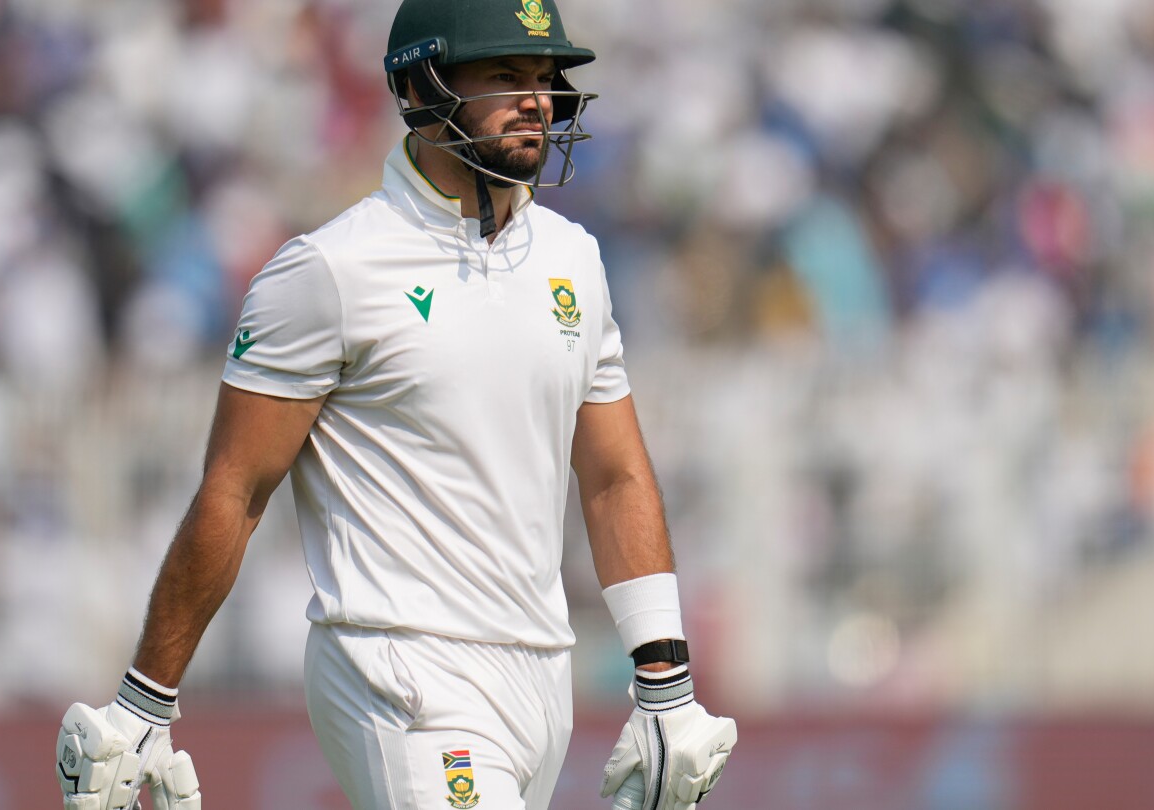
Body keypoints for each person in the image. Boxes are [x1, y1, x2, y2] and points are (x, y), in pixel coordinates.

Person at [54, 0, 736, 807]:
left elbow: (616, 476)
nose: (538, 100)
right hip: (394, 665)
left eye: (547, 79)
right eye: (505, 76)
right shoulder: (330, 271)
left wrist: (664, 681)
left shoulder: (573, 259)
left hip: (540, 669)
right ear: (421, 87)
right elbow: (235, 491)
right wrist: (145, 700)